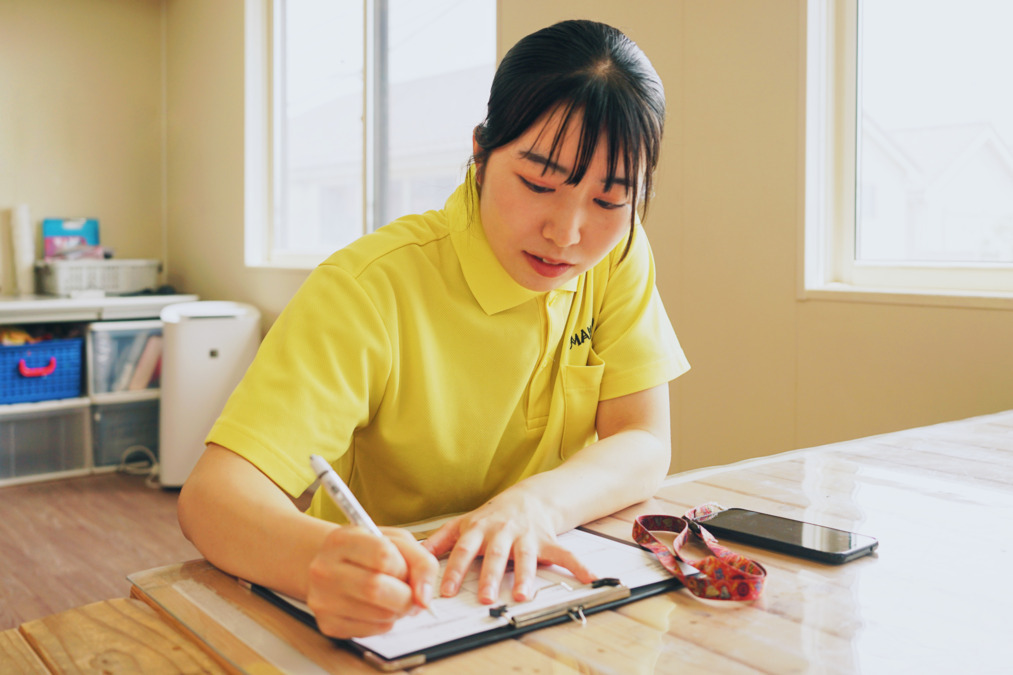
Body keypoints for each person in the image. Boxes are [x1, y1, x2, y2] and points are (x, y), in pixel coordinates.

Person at [177, 18, 689, 640]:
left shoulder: (618, 256)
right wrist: (314, 563)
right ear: (480, 150)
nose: (569, 233)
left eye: (610, 201)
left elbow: (643, 438)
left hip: (538, 595)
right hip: (398, 602)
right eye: (537, 183)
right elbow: (213, 498)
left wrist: (536, 504)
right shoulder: (369, 286)